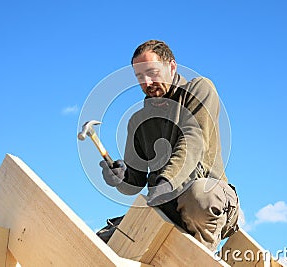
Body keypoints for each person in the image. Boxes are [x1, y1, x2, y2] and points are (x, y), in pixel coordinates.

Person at [99, 40, 239, 251]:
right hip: (164, 205)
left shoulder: (199, 89)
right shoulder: (138, 121)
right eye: (140, 77)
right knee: (103, 241)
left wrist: (165, 182)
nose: (147, 82)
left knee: (199, 196)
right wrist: (120, 177)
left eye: (152, 72)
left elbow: (193, 140)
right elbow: (134, 183)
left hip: (209, 201)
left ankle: (198, 257)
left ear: (171, 66)